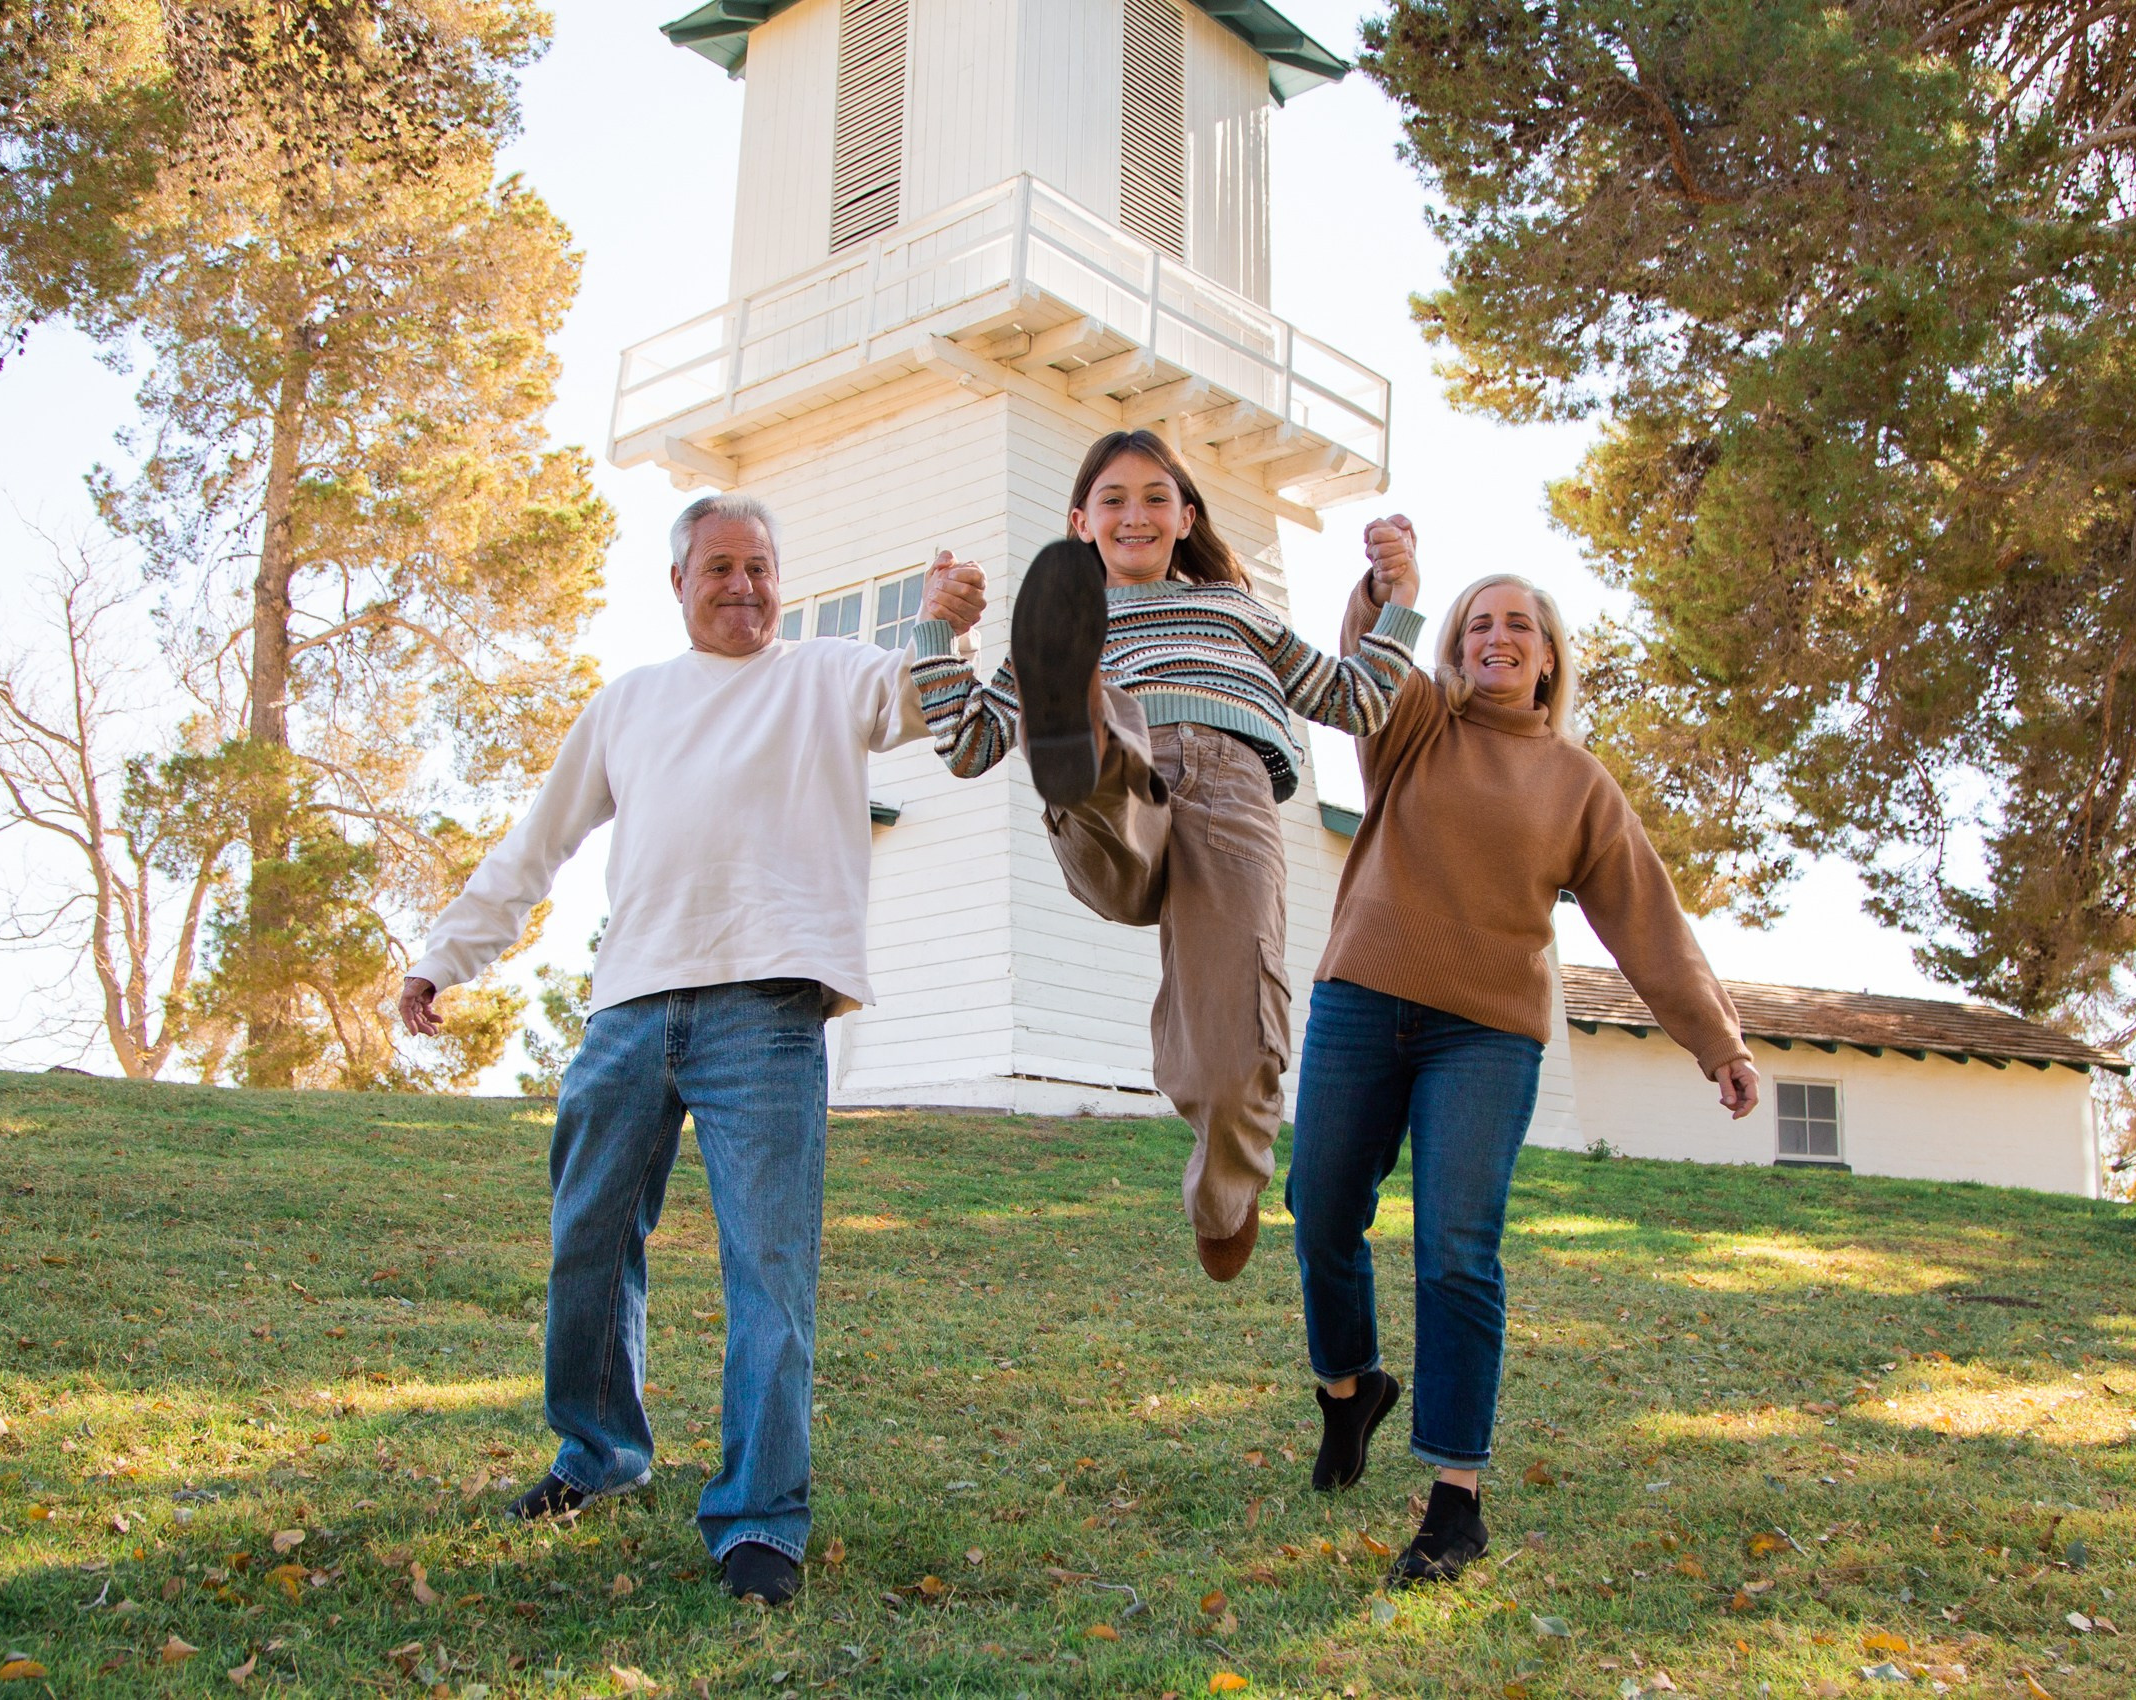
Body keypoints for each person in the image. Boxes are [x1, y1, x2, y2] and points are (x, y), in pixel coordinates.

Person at [398, 494, 984, 1607]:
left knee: (769, 1266)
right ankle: (600, 1452)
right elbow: (538, 843)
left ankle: (759, 1517)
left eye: (759, 565)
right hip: (628, 1008)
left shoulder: (828, 675)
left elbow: (917, 698)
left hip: (765, 1012)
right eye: (719, 566)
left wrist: (940, 622)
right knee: (587, 1240)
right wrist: (443, 957)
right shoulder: (628, 704)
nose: (743, 586)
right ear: (678, 582)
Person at [1286, 532, 1761, 1588]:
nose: (1496, 636)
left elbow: (1646, 920)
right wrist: (1388, 588)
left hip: (1485, 1035)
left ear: (1548, 657)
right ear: (1455, 646)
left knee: (1457, 1249)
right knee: (1319, 1207)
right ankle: (1350, 1388)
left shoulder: (1578, 784)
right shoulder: (1414, 722)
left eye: (1518, 624)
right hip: (1361, 1002)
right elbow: (1366, 660)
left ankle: (1455, 1503)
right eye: (1477, 623)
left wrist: (1716, 1038)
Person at [909, 429, 1426, 1281]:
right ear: (1080, 523)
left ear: (1187, 518)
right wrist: (938, 630)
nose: (1135, 514)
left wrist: (1395, 597)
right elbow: (968, 744)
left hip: (1230, 799)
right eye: (1112, 499)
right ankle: (1081, 728)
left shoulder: (1234, 608)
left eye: (1156, 497)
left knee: (1231, 1054)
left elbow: (1356, 700)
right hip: (1117, 798)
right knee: (1098, 725)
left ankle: (1225, 1193)